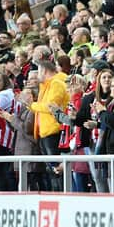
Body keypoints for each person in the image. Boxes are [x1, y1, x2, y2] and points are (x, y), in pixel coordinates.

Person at [29, 60, 69, 191]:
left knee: (57, 171)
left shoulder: (56, 83)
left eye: (39, 72)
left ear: (45, 71)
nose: (37, 76)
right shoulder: (46, 86)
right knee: (52, 171)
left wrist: (32, 105)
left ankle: (62, 197)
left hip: (53, 131)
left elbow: (51, 107)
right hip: (45, 132)